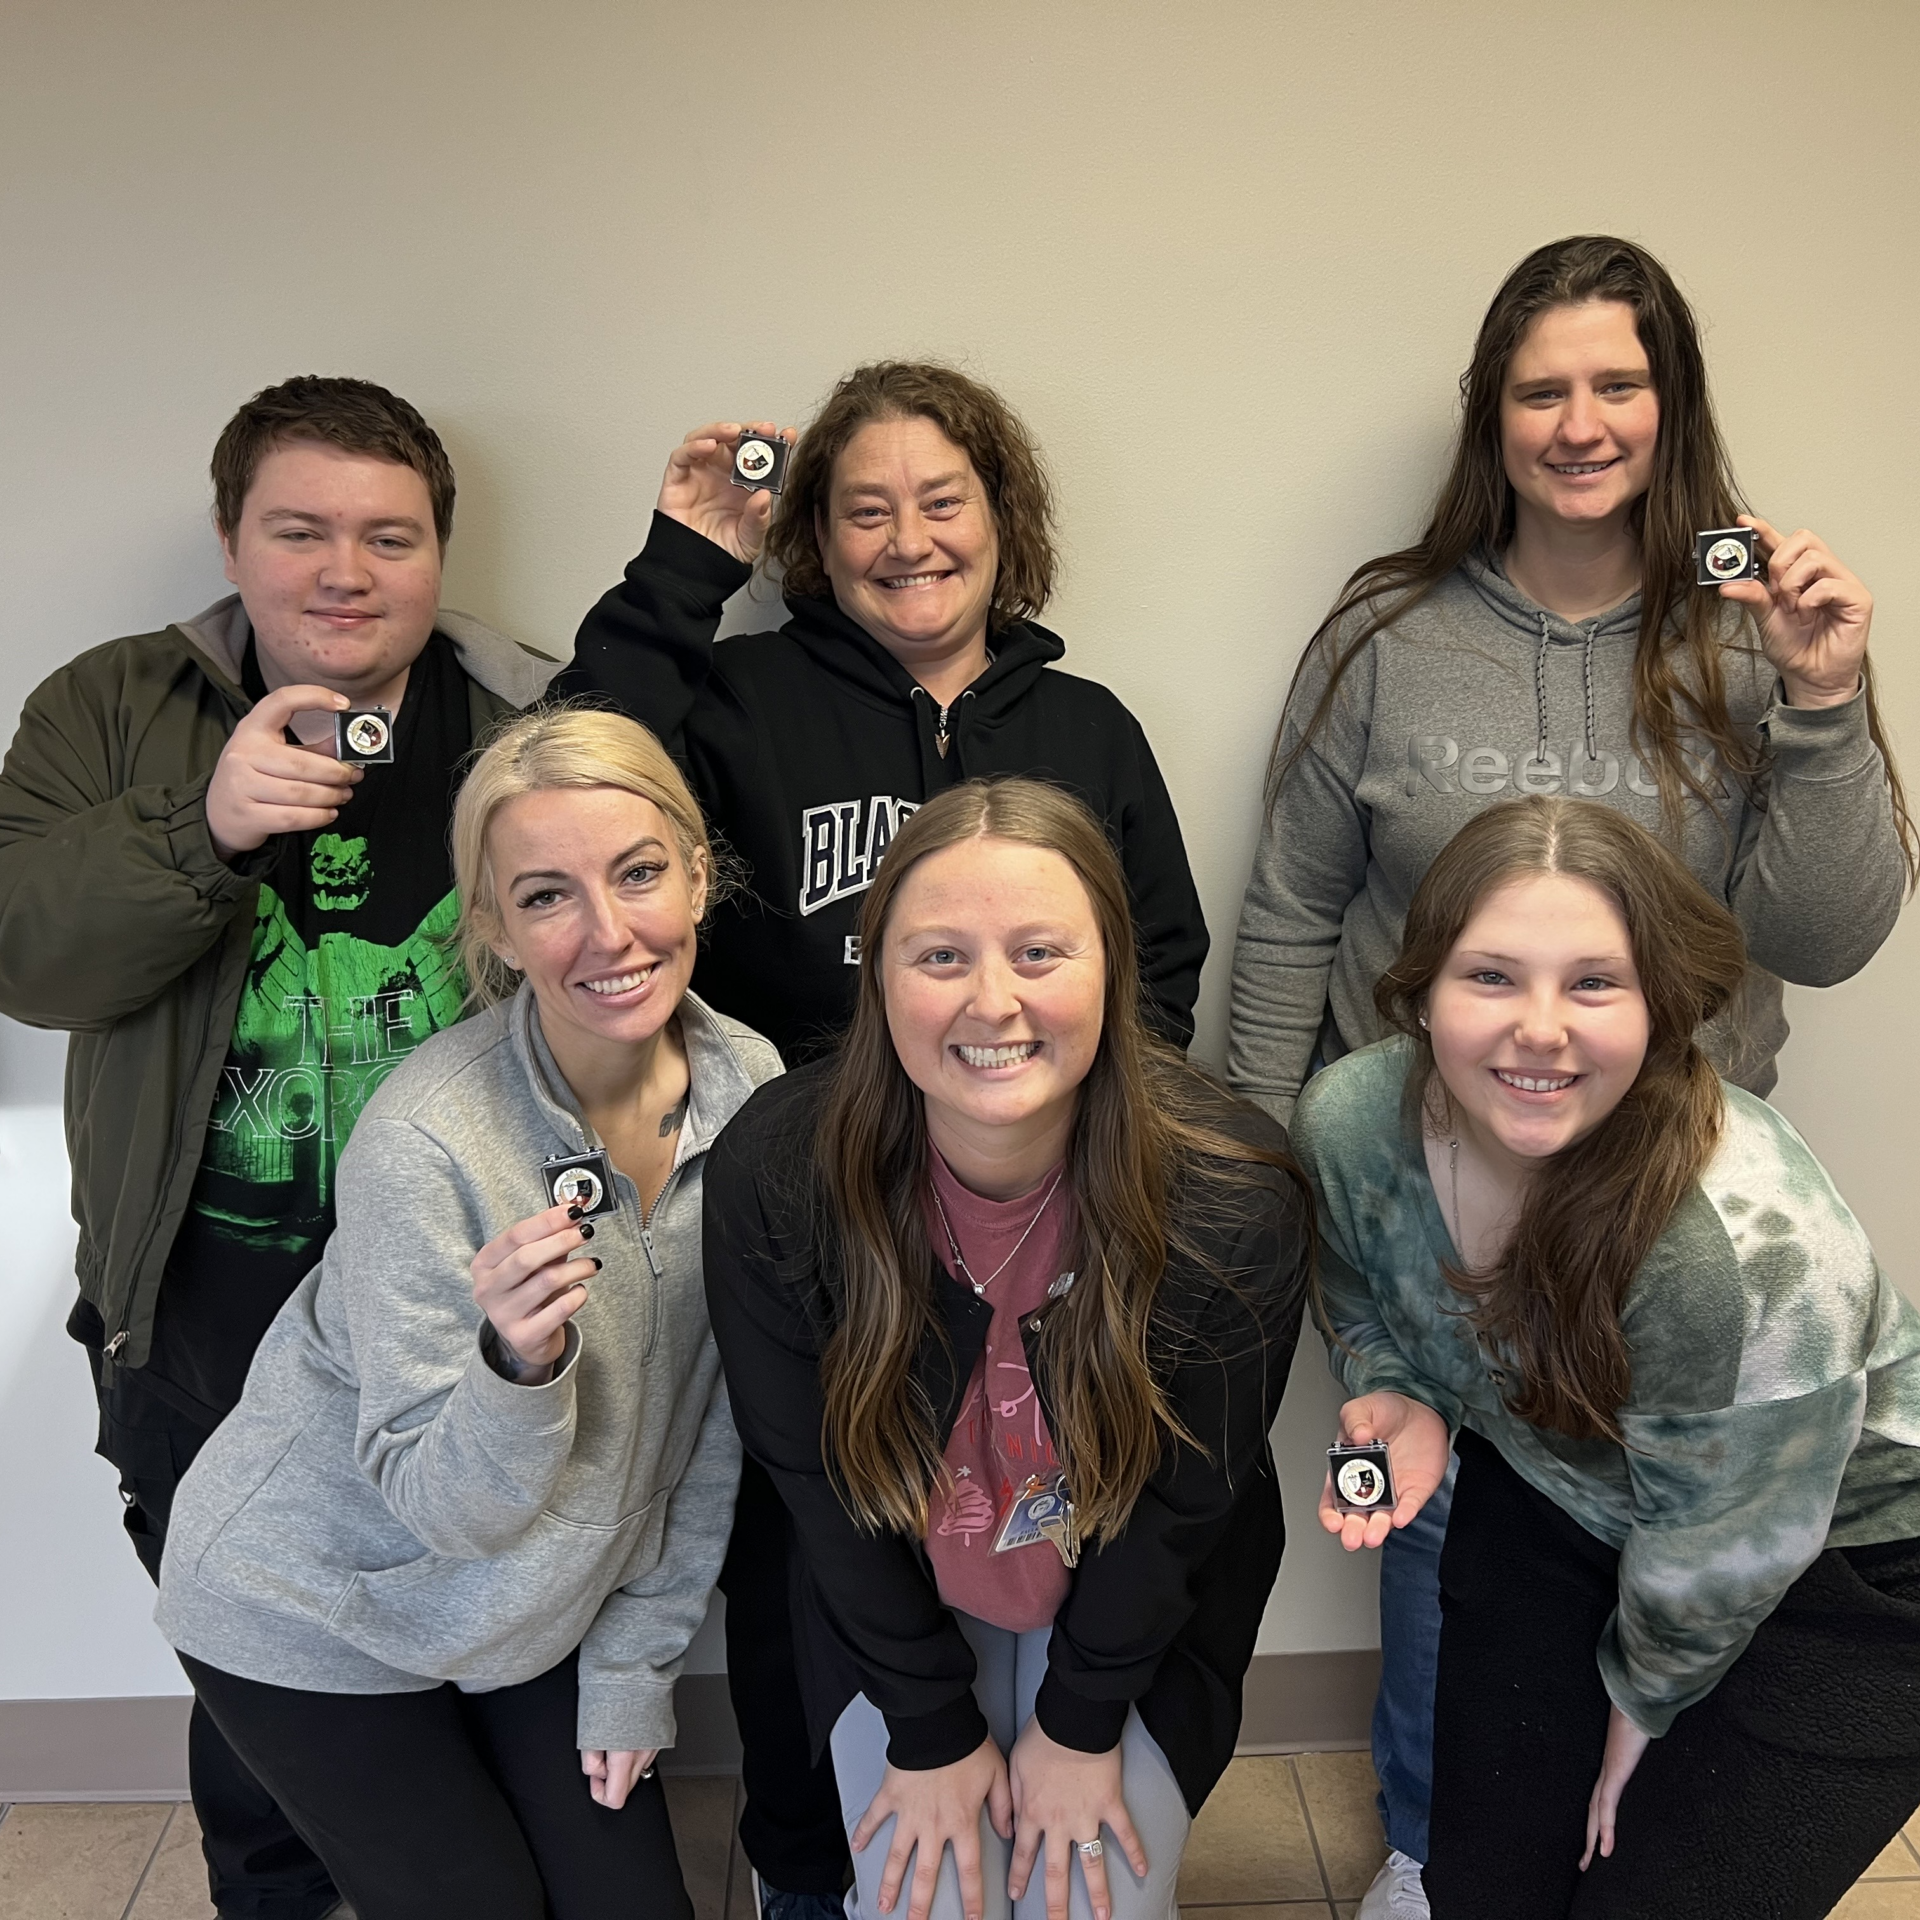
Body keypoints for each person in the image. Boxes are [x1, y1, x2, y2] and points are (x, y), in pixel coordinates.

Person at [1225, 235, 1912, 1918]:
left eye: (1620, 383)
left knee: (1673, 1512)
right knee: (1460, 1537)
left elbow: (1826, 938)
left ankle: (1653, 1788)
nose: (1582, 419)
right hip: (1439, 1192)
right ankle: (1427, 1838)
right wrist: (1253, 1188)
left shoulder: (1751, 636)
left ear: (1671, 412)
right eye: (1544, 386)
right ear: (1495, 414)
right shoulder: (1385, 633)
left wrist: (1826, 702)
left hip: (1657, 1192)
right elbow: (1289, 911)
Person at [570, 360, 1211, 1914]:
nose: (907, 538)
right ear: (815, 540)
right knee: (808, 1553)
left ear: (1006, 519)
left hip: (1045, 1217)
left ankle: (1057, 1785)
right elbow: (567, 798)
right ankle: (809, 1868)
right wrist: (683, 572)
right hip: (815, 1221)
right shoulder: (740, 703)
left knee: (1065, 1527)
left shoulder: (1086, 726)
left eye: (944, 500)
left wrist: (1091, 1151)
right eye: (864, 510)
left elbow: (1166, 968)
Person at [154, 709, 781, 1920]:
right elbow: (444, 1505)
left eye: (640, 872)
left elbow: (716, 1430)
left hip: (528, 1616)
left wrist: (633, 1670)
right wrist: (519, 1362)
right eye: (547, 896)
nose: (609, 933)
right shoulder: (425, 1137)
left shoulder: (755, 1095)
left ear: (699, 874)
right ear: (492, 925)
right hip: (315, 1601)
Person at [1291, 796, 1920, 1919]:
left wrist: (1636, 1718)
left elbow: (1726, 1546)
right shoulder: (1348, 1122)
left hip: (1848, 1553)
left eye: (1594, 982)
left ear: (1659, 1007)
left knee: (1651, 1887)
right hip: (1567, 1482)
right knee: (1489, 1874)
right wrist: (1404, 1394)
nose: (1541, 1027)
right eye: (1491, 976)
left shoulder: (1742, 1246)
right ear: (1422, 994)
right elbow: (1358, 1301)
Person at [703, 777, 1310, 1920]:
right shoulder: (776, 1175)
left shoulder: (1236, 1193)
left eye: (1040, 953)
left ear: (1115, 970)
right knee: (924, 1902)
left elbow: (1187, 1500)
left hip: (1131, 1588)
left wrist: (1081, 1729)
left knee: (1090, 1905)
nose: (994, 1002)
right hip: (902, 1587)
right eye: (940, 957)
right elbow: (815, 1482)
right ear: (877, 977)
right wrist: (929, 1728)